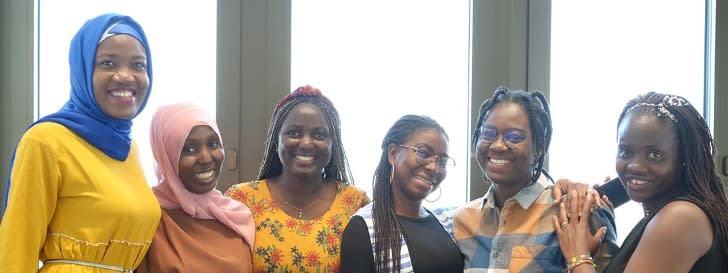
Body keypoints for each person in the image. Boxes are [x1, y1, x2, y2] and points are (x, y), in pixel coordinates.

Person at [0, 13, 159, 272]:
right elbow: (16, 251)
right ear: (83, 69)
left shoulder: (130, 151)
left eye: (138, 65)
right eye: (108, 63)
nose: (125, 76)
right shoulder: (46, 141)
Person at [554, 92, 728, 273]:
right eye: (625, 152)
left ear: (685, 159)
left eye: (654, 155)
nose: (635, 166)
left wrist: (577, 255)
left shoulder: (680, 217)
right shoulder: (666, 213)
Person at [452, 87, 618, 273]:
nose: (498, 145)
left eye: (514, 137)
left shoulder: (577, 210)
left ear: (539, 147)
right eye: (488, 134)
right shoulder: (461, 220)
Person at [225, 85, 370, 272]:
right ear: (276, 140)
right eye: (294, 133)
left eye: (319, 135)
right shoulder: (241, 200)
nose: (306, 143)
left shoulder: (355, 204)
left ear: (333, 144)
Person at [135, 103, 255, 273]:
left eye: (213, 144)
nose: (206, 158)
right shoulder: (149, 220)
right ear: (166, 154)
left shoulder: (236, 216)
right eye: (189, 149)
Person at [340, 115, 464, 273]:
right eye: (424, 153)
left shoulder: (448, 222)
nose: (434, 167)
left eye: (442, 162)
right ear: (393, 153)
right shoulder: (364, 228)